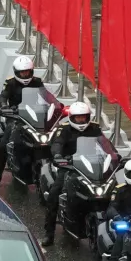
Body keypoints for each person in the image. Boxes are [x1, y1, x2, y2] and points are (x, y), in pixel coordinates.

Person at [41, 101, 103, 246]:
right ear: (72, 118)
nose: (81, 120)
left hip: (92, 166)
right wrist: (57, 156)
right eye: (78, 118)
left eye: (83, 117)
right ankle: (49, 233)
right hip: (69, 166)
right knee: (54, 194)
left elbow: (105, 144)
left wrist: (114, 155)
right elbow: (57, 144)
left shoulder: (95, 129)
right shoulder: (65, 130)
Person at [0, 56, 46, 189]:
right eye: (22, 72)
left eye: (27, 72)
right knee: (4, 145)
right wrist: (4, 106)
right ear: (17, 72)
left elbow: (45, 97)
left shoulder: (37, 82)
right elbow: (3, 96)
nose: (25, 74)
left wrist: (56, 106)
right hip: (15, 118)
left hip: (35, 117)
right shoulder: (11, 83)